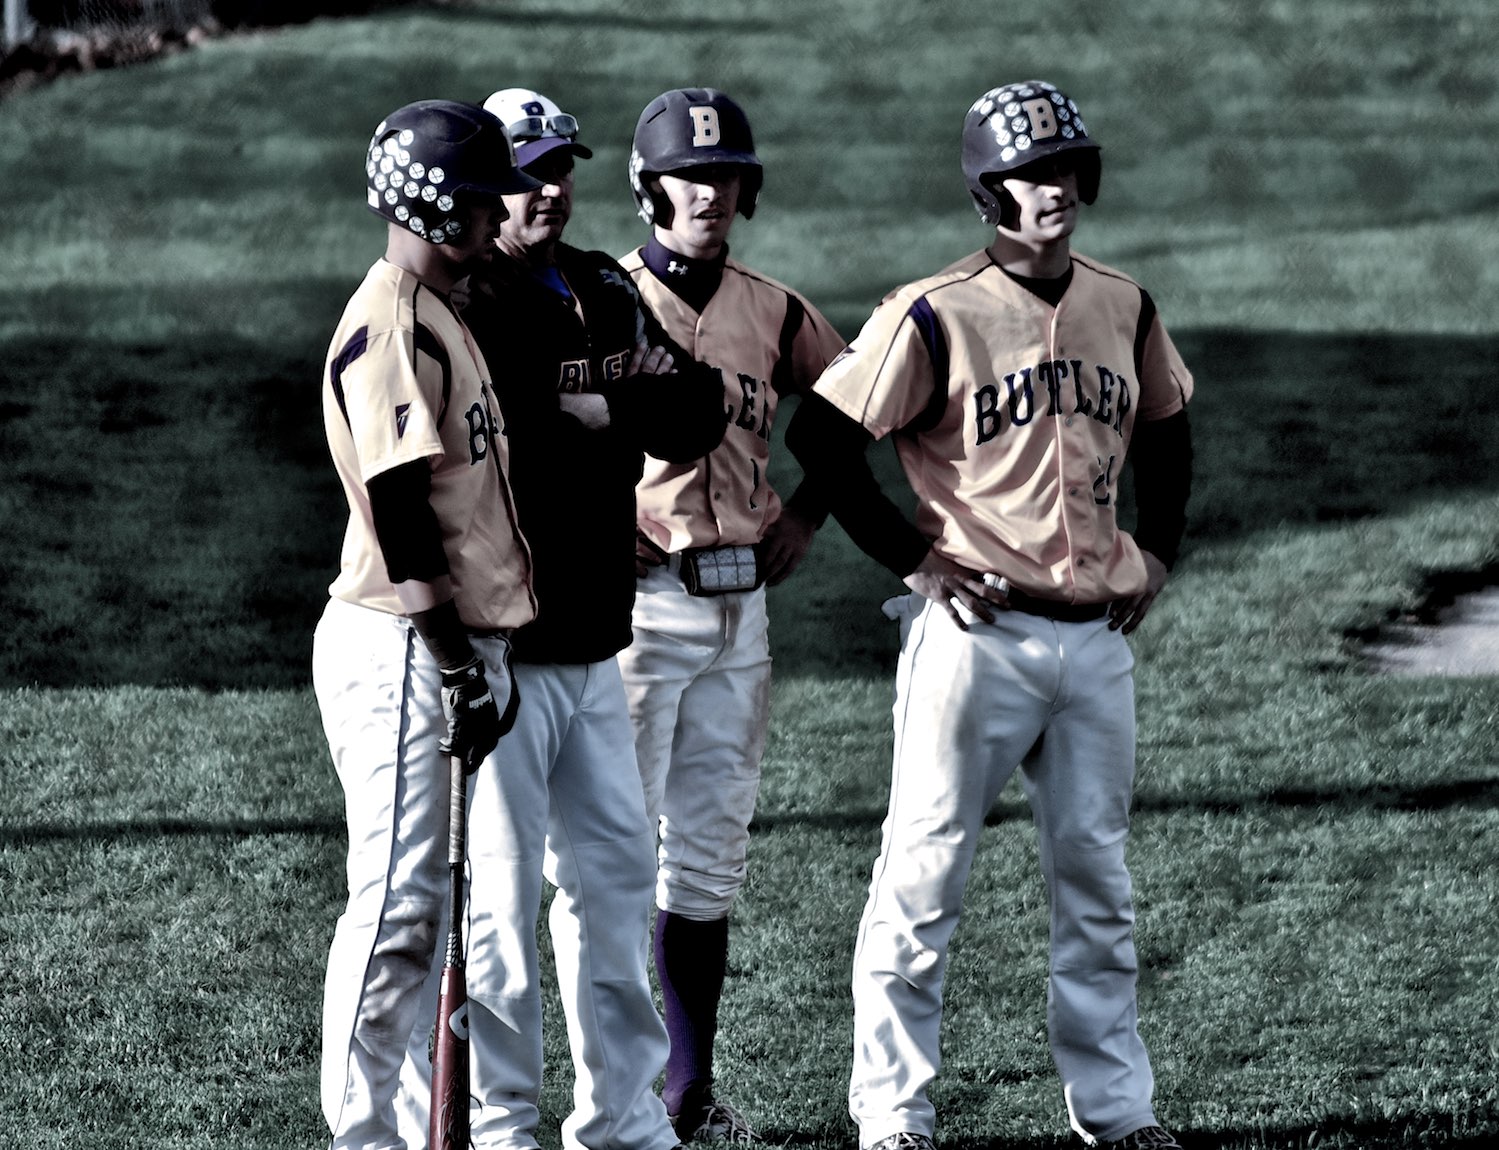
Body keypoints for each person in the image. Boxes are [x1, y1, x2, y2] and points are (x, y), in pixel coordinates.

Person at [785, 80, 1194, 1150]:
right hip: (975, 639)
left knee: (1097, 883)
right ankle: (891, 1115)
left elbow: (1166, 425)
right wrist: (914, 557)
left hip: (1095, 641)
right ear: (987, 190)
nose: (1048, 189)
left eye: (1062, 168)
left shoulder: (1123, 303)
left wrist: (1159, 549)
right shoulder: (932, 309)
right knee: (922, 877)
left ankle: (1115, 1111)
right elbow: (823, 441)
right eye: (1025, 173)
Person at [395, 87, 726, 1150]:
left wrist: (605, 409)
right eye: (527, 168)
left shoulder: (599, 285)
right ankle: (496, 1126)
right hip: (504, 651)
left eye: (562, 164)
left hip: (594, 644)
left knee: (617, 882)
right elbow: (499, 456)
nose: (550, 186)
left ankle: (622, 1121)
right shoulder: (465, 307)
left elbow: (697, 412)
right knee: (498, 908)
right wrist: (587, 415)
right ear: (486, 187)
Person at [615, 87, 849, 1144]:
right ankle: (610, 1104)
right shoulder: (595, 297)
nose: (709, 191)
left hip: (739, 616)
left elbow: (858, 405)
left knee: (707, 859)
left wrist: (805, 509)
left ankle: (686, 1094)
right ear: (649, 187)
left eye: (725, 176)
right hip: (634, 614)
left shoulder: (776, 309)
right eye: (689, 175)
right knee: (611, 860)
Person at [314, 98, 539, 1150]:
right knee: (400, 909)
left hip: (440, 644)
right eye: (486, 198)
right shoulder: (398, 322)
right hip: (404, 642)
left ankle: (411, 1133)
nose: (501, 215)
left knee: (428, 912)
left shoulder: (441, 309)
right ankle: (363, 1138)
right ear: (442, 208)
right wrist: (454, 658)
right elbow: (402, 516)